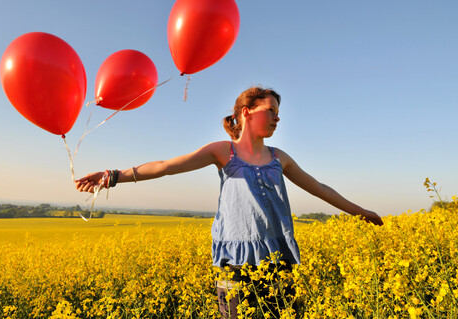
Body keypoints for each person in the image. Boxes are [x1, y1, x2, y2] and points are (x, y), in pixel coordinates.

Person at [75, 86, 383, 318]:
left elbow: (319, 188)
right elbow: (166, 166)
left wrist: (361, 212)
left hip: (277, 258)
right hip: (235, 259)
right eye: (271, 110)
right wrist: (112, 176)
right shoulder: (224, 151)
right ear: (247, 111)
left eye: (278, 112)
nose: (277, 117)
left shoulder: (279, 158)